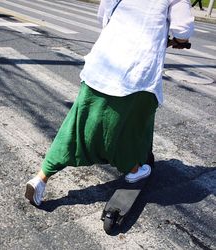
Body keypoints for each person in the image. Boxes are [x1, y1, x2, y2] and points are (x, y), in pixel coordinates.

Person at [25, 0, 194, 206]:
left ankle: (41, 178)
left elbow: (103, 15)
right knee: (126, 129)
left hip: (101, 66)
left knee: (75, 128)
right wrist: (178, 39)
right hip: (135, 74)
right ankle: (134, 170)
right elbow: (183, 29)